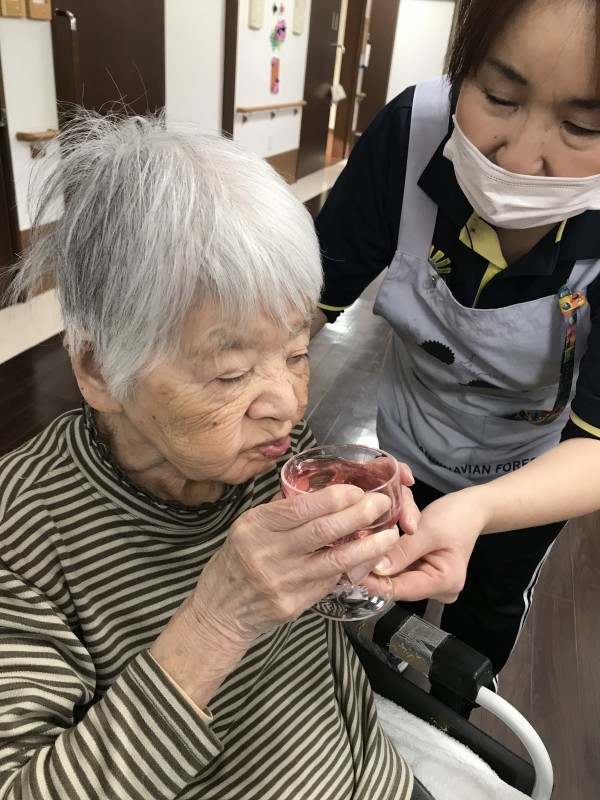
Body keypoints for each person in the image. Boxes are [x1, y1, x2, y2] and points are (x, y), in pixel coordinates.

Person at [0, 115, 430, 799]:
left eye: (297, 352)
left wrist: (366, 549)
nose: (287, 405)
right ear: (98, 370)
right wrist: (217, 621)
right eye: (230, 374)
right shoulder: (24, 537)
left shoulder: (272, 456)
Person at [314, 0, 600, 712]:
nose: (520, 157)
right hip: (404, 449)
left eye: (583, 126)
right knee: (385, 593)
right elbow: (306, 302)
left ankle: (448, 720)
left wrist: (479, 510)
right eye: (498, 96)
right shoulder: (411, 134)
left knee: (482, 619)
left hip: (528, 475)